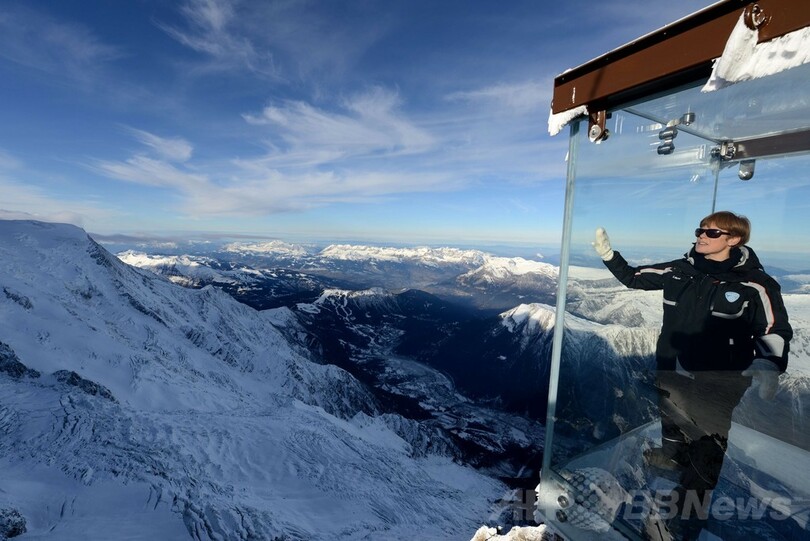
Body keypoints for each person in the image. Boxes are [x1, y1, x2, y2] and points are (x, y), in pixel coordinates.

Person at [592, 211, 792, 539]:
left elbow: (772, 327)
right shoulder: (679, 269)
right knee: (671, 415)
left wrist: (769, 364)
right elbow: (634, 278)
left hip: (721, 378)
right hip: (672, 365)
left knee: (707, 446)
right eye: (700, 230)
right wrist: (609, 255)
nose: (701, 235)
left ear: (734, 239)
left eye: (712, 232)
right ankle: (673, 458)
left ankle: (685, 521)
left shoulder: (755, 284)